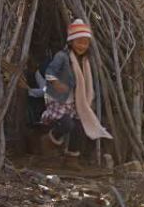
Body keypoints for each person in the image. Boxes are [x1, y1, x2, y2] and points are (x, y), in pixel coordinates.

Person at [41, 19, 112, 170]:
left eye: (85, 43)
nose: (82, 46)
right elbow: (49, 72)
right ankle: (50, 139)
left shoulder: (85, 61)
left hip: (75, 102)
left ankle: (71, 159)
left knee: (80, 128)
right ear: (71, 42)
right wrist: (56, 83)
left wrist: (87, 98)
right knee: (67, 124)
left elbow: (86, 82)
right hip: (60, 100)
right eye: (79, 42)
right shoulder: (62, 56)